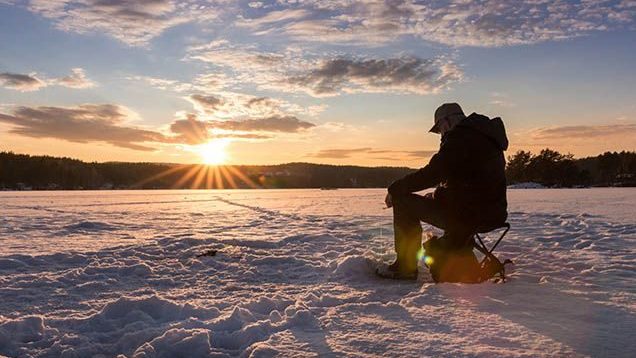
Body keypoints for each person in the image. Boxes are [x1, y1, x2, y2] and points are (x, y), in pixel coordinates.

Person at [377, 103, 509, 280]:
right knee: (435, 201)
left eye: (439, 129)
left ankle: (405, 267)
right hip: (493, 214)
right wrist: (438, 195)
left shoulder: (460, 138)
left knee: (403, 201)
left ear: (446, 122)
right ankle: (454, 254)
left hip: (467, 216)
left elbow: (433, 173)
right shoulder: (485, 136)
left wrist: (395, 188)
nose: (440, 134)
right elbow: (467, 181)